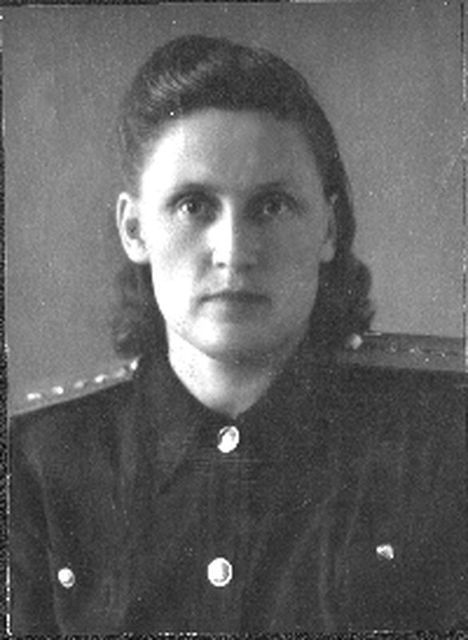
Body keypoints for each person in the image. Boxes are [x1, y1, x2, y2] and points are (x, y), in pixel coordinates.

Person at [10, 35, 467, 634]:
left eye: (272, 205)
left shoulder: (445, 440)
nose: (234, 251)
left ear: (328, 228)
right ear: (134, 228)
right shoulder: (38, 464)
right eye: (193, 205)